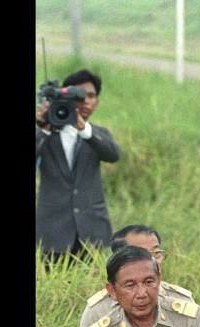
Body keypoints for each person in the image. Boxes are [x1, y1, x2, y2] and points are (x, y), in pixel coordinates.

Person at [36, 68, 121, 265]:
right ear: (63, 96)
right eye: (79, 95)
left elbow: (113, 154)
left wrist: (84, 130)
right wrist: (43, 127)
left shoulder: (97, 134)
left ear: (96, 103)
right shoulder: (45, 133)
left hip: (92, 232)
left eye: (90, 96)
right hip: (52, 233)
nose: (84, 101)